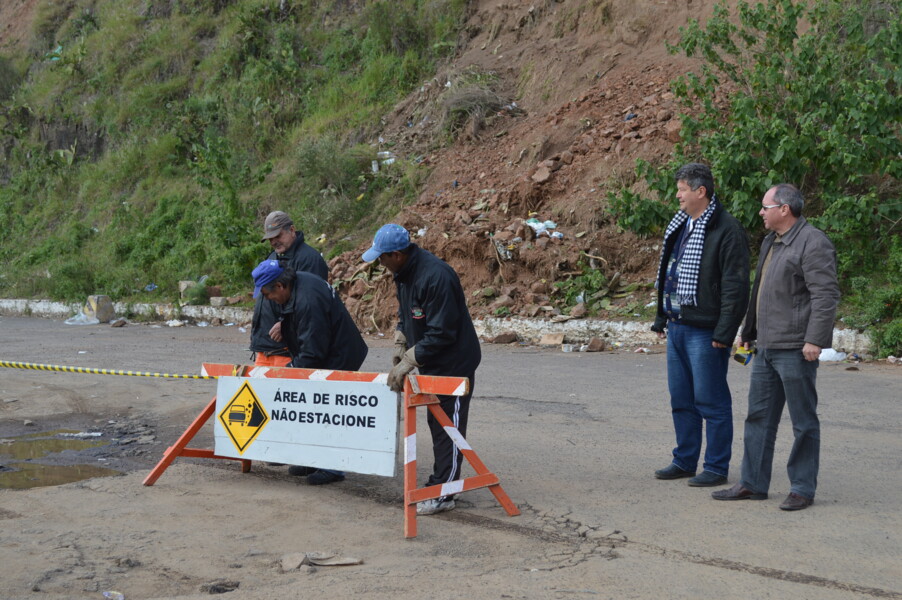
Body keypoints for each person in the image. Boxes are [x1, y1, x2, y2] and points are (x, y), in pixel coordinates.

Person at [713, 184, 839, 511]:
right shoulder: (772, 241)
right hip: (766, 346)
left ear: (784, 209)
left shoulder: (813, 242)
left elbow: (825, 295)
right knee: (758, 417)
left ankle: (802, 487)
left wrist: (815, 339)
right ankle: (752, 483)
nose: (761, 212)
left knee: (803, 420)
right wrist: (748, 331)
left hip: (796, 347)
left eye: (765, 206)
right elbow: (760, 291)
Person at [362, 224, 481, 515]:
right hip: (433, 360)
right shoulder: (403, 274)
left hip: (454, 362)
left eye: (383, 257)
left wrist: (410, 360)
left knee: (447, 427)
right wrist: (401, 339)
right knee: (436, 423)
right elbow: (408, 312)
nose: (380, 263)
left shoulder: (436, 276)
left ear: (398, 254)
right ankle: (441, 481)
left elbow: (443, 332)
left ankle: (446, 492)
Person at [651, 163, 750, 487]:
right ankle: (684, 461)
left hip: (705, 330)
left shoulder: (726, 228)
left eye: (682, 189)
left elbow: (736, 287)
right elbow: (670, 274)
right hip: (678, 325)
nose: (677, 195)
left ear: (700, 191)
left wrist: (724, 332)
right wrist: (662, 317)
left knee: (711, 401)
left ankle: (716, 467)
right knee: (681, 399)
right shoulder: (681, 224)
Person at [251, 259, 368, 485]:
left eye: (267, 294)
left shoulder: (308, 301)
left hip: (340, 356)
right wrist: (284, 322)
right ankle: (313, 458)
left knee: (328, 409)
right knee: (311, 406)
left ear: (280, 286)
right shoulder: (299, 282)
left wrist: (289, 372)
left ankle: (332, 467)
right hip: (329, 349)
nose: (267, 300)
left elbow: (313, 351)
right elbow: (293, 312)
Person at [250, 211, 329, 368]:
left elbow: (311, 305)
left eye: (278, 236)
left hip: (288, 350)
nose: (274, 241)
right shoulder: (273, 257)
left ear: (292, 230)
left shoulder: (309, 259)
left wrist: (283, 324)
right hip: (264, 349)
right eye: (270, 238)